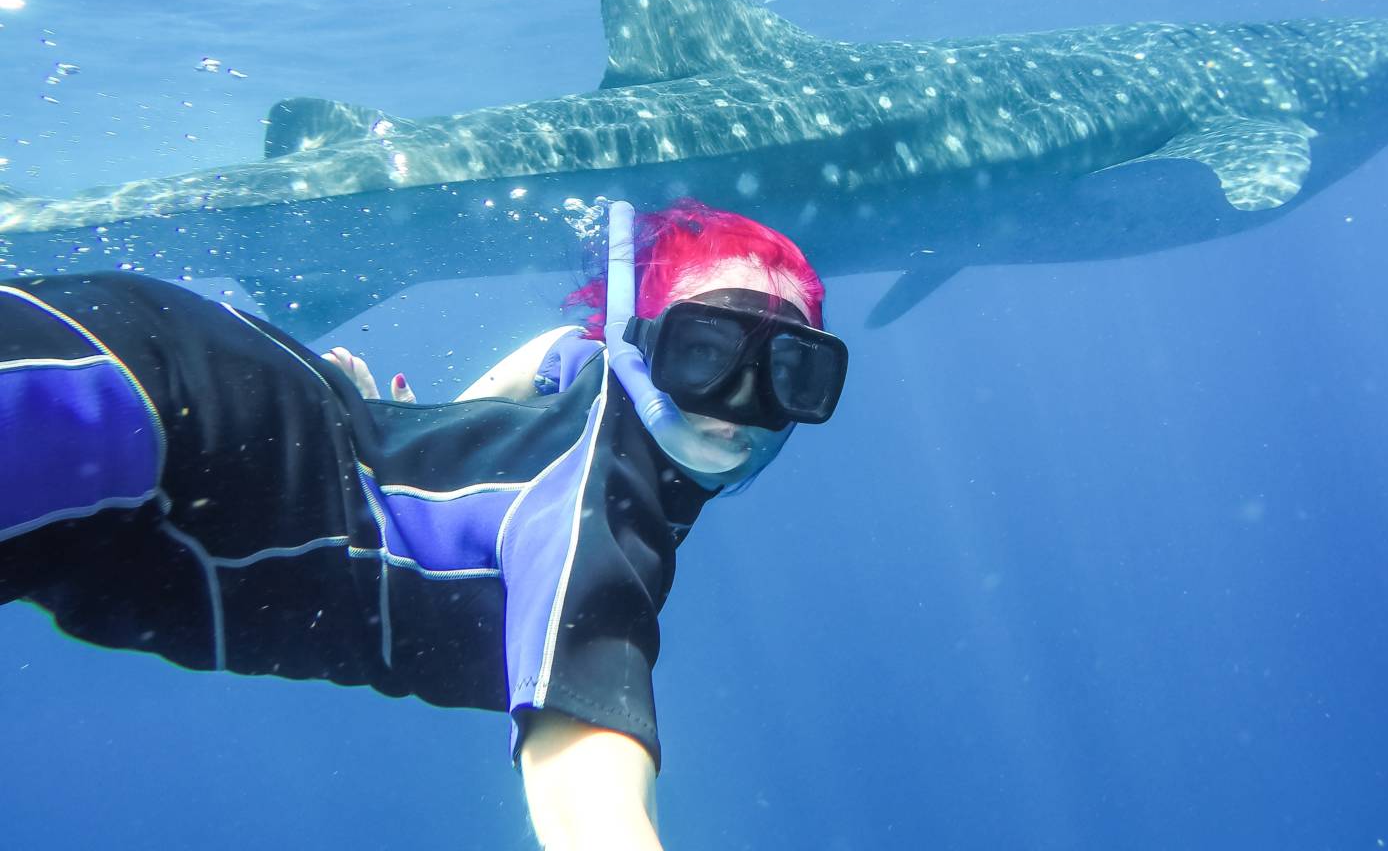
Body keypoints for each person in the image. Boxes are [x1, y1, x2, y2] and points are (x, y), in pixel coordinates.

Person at [0, 198, 848, 851]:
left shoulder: (591, 376)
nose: (742, 404)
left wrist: (414, 437)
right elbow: (591, 801)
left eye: (788, 371)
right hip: (137, 429)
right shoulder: (602, 507)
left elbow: (553, 352)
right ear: (640, 342)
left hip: (156, 394)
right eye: (705, 352)